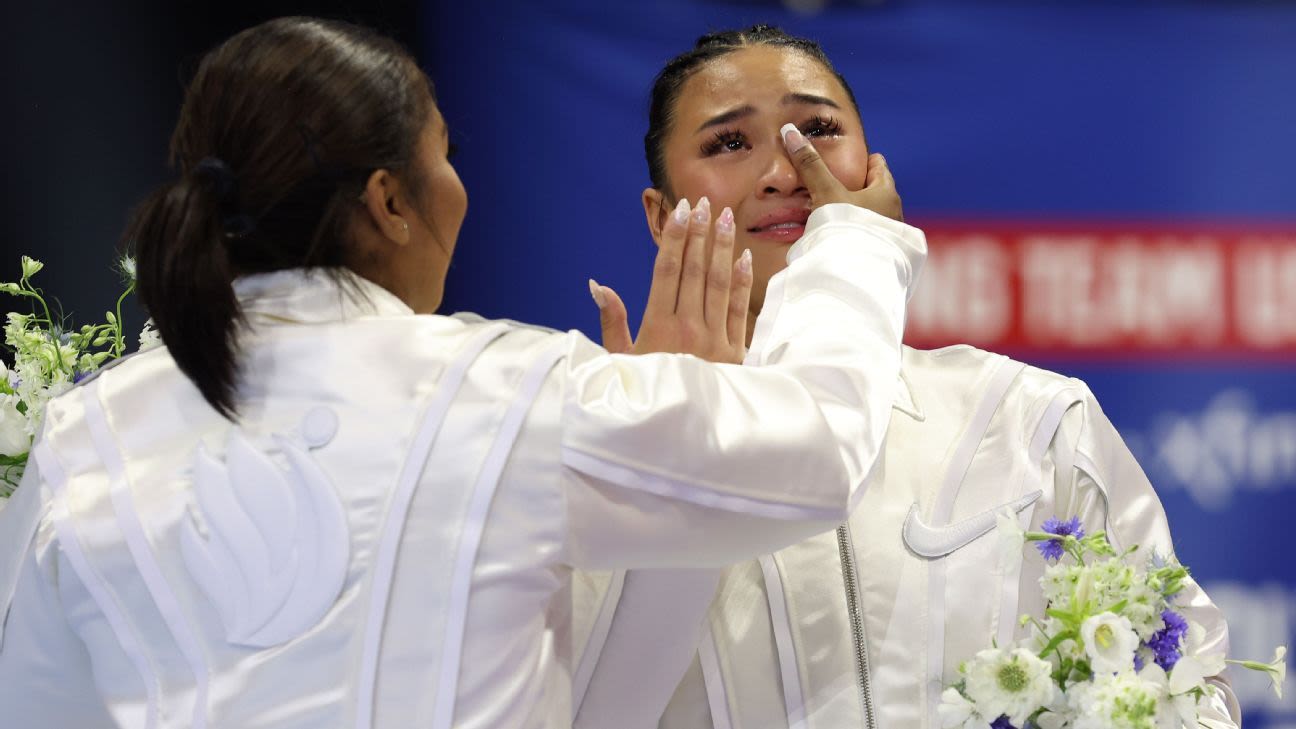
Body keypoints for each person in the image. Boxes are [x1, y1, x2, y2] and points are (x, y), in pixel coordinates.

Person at [0, 18, 928, 729]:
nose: (460, 190)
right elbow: (818, 448)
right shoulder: (505, 392)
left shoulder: (88, 434)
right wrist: (856, 242)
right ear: (390, 201)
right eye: (446, 157)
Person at [574, 26, 1241, 729]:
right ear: (660, 215)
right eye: (729, 143)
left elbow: (1193, 690)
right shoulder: (596, 444)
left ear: (874, 172)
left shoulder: (1029, 417)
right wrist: (650, 458)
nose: (785, 169)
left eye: (818, 129)